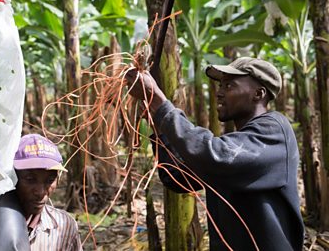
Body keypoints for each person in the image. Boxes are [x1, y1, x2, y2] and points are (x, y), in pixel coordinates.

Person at [125, 57, 304, 251]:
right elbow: (176, 177)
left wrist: (161, 104)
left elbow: (217, 157)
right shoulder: (237, 144)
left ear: (258, 94)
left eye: (229, 86)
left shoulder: (274, 129)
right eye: (220, 86)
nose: (218, 93)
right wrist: (159, 129)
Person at [13, 133, 82, 251]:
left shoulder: (64, 226)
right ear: (13, 177)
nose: (40, 192)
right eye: (30, 180)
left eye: (50, 181)